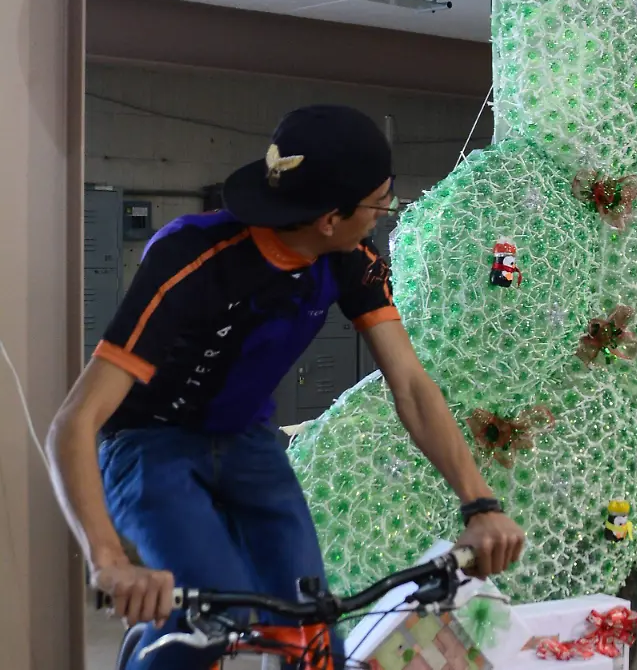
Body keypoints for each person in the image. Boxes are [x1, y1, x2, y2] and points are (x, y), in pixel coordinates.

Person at [43, 105, 525, 669]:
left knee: (310, 626)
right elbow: (73, 423)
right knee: (208, 623)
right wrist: (108, 559)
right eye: (377, 202)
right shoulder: (191, 257)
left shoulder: (352, 258)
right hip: (152, 444)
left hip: (247, 439)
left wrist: (480, 503)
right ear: (328, 217)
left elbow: (412, 386)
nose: (382, 214)